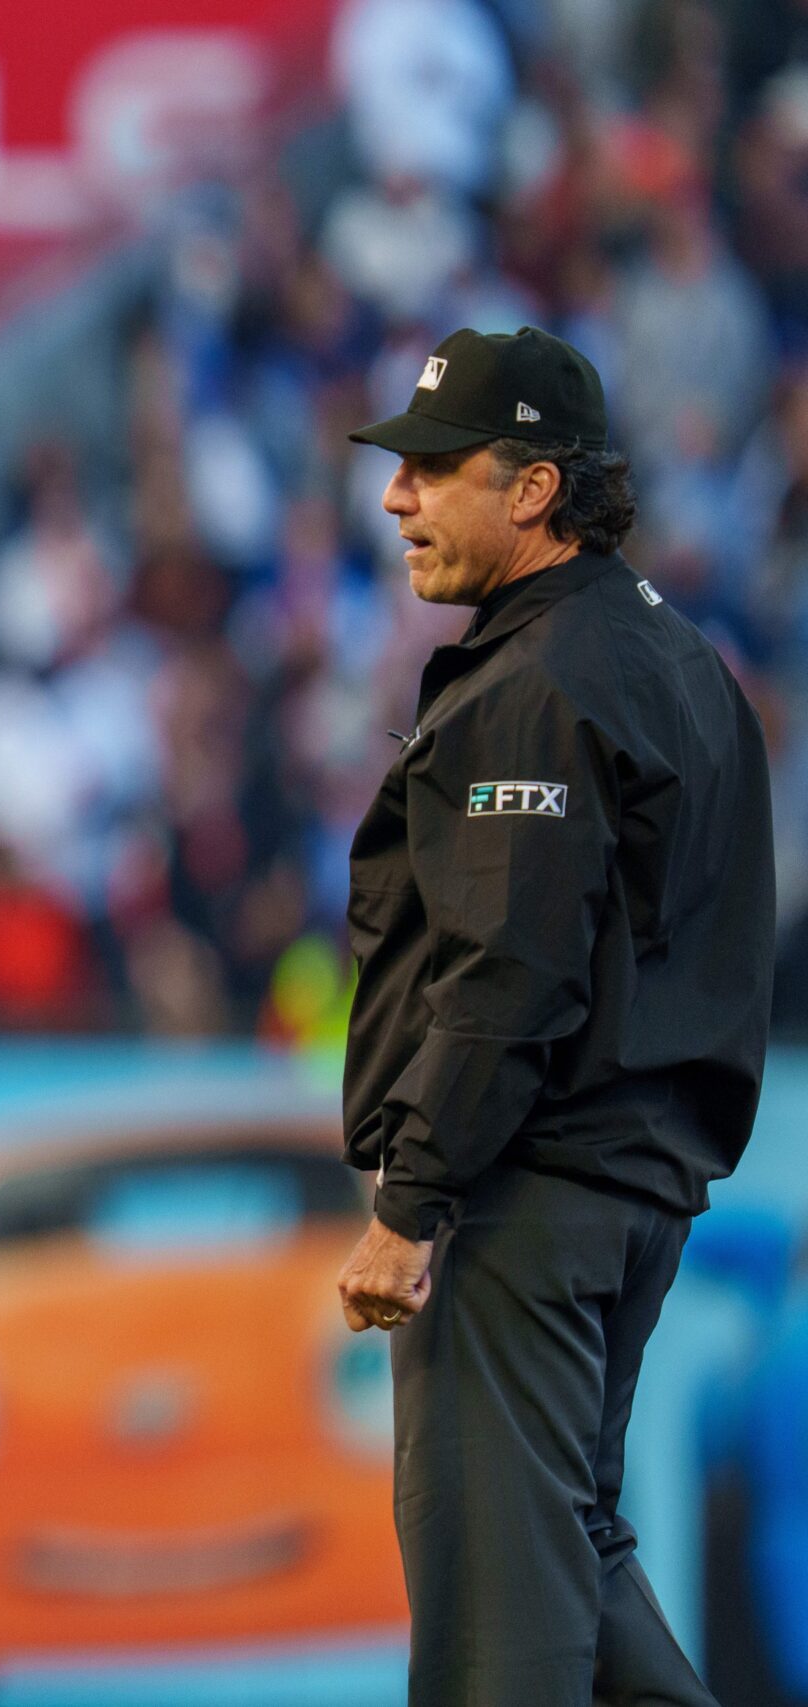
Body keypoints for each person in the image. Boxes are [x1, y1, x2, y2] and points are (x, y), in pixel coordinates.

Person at [334, 325, 774, 1707]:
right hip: (632, 1188)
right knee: (570, 1558)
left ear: (532, 490)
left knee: (494, 1631)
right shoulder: (677, 657)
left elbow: (511, 971)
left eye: (432, 469)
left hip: (525, 1188)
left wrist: (415, 1203)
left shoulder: (538, 682)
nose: (398, 498)